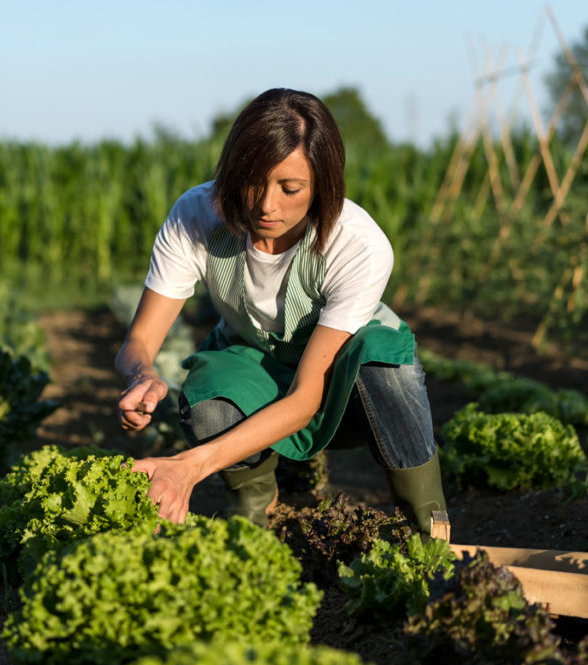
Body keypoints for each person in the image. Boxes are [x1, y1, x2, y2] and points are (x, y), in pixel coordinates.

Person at [115, 87, 445, 532]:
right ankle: (255, 510)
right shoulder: (195, 216)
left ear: (322, 185)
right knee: (209, 393)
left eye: (290, 188)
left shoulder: (358, 246)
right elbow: (139, 341)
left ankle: (428, 522)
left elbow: (306, 399)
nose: (267, 205)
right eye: (252, 182)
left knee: (387, 369)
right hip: (256, 359)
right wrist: (144, 374)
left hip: (343, 377)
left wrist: (188, 467)